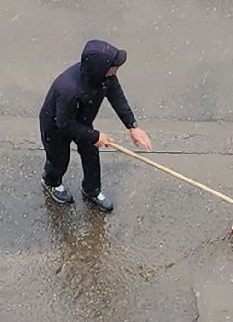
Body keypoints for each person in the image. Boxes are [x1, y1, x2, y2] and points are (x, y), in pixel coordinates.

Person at [39, 38, 153, 213]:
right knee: (59, 160)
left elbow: (117, 97)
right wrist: (95, 136)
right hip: (56, 126)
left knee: (91, 155)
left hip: (82, 121)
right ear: (100, 67)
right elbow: (64, 124)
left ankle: (91, 190)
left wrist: (132, 126)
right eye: (114, 66)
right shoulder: (68, 89)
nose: (116, 69)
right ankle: (51, 182)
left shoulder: (105, 77)